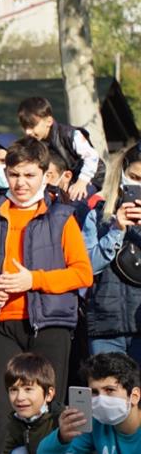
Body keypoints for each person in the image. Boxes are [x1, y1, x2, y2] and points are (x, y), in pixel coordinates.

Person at [0, 136, 94, 454]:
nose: (21, 182)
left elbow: (81, 273)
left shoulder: (62, 216)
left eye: (29, 174)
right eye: (14, 174)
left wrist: (32, 279)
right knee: (1, 408)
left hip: (49, 324)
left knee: (49, 408)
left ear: (45, 175)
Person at [82, 143, 141, 362]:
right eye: (134, 177)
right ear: (122, 174)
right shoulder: (97, 215)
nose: (138, 185)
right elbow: (87, 267)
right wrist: (115, 230)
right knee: (108, 395)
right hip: (106, 325)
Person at [39, 352, 141, 454]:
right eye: (94, 392)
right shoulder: (95, 423)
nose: (101, 399)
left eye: (109, 390)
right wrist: (62, 438)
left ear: (135, 396)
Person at [19, 97, 104, 203]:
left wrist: (82, 182)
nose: (28, 131)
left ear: (49, 121)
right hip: (66, 179)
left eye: (32, 125)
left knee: (74, 202)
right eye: (24, 126)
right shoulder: (36, 142)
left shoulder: (70, 135)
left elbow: (91, 156)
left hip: (90, 176)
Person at [1, 353, 64, 454]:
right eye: (13, 390)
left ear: (49, 394)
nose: (20, 397)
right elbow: (6, 451)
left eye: (28, 389)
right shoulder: (16, 421)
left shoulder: (59, 419)